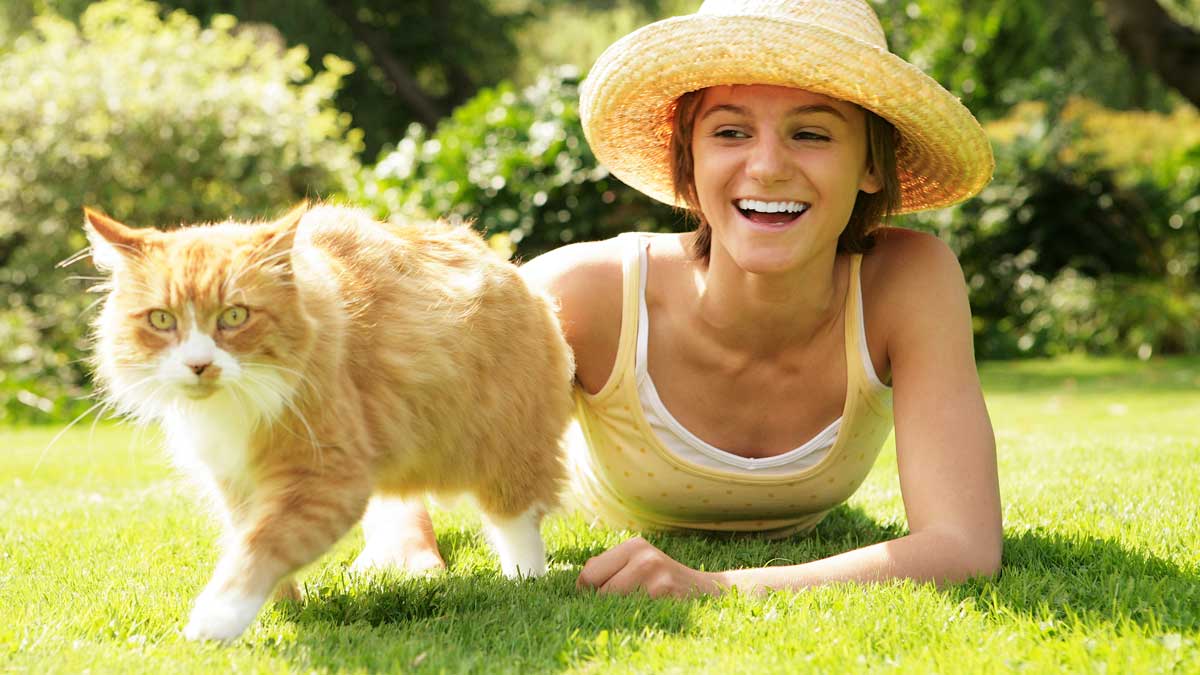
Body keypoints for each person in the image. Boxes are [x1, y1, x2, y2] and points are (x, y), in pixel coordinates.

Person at [367, 0, 1002, 597]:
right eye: (730, 132)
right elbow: (407, 412)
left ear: (870, 164)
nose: (768, 167)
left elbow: (963, 545)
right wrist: (403, 539)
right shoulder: (587, 295)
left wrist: (718, 587)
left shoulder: (908, 280)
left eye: (812, 134)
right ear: (688, 162)